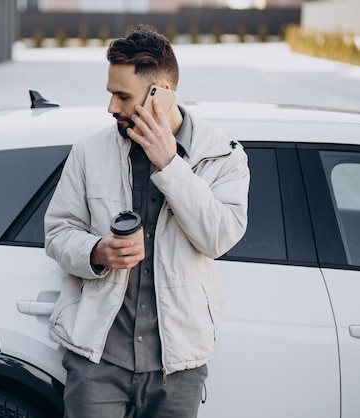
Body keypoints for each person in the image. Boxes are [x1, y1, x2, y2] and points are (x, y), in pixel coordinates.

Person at [44, 24, 250, 418]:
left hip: (177, 366)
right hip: (98, 358)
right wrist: (96, 251)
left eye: (122, 96)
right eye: (110, 93)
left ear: (161, 95)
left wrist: (170, 165)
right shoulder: (89, 153)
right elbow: (58, 233)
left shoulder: (222, 156)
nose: (111, 108)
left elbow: (220, 238)